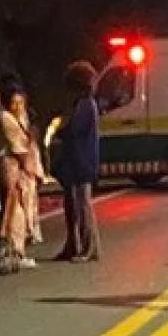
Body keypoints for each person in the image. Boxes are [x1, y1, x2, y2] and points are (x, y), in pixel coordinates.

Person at [51, 61, 105, 262]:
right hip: (76, 162)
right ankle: (73, 245)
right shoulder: (83, 103)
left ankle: (89, 248)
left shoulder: (85, 104)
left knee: (83, 206)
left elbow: (74, 130)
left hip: (81, 162)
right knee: (73, 205)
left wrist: (59, 131)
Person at [0, 85, 42, 262]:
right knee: (15, 210)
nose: (18, 106)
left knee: (25, 208)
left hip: (23, 168)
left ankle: (19, 250)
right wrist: (29, 166)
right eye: (14, 103)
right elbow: (18, 146)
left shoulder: (21, 117)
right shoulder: (6, 118)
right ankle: (15, 251)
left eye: (21, 102)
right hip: (14, 168)